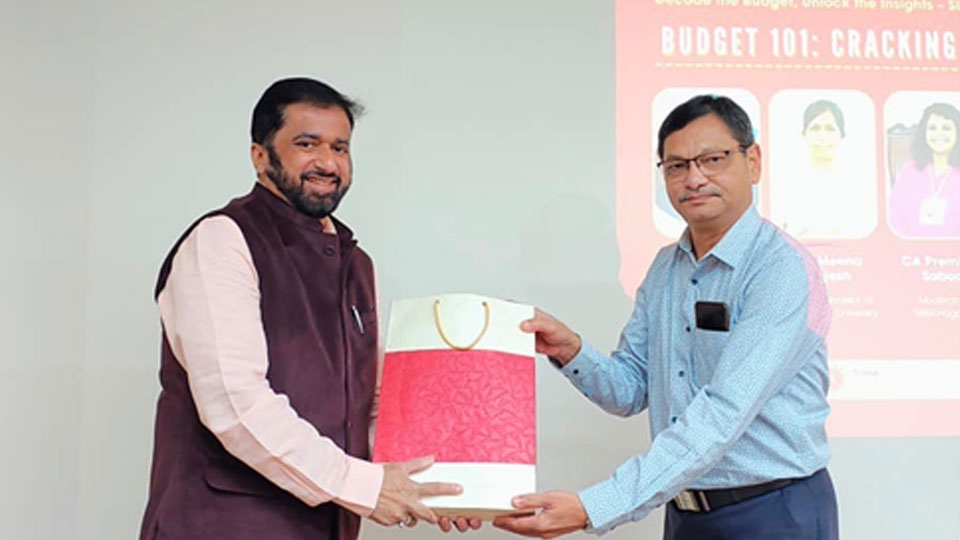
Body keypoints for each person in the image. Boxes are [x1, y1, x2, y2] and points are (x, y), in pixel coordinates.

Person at [494, 95, 838, 539]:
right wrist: (569, 349)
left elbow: (722, 413)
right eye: (677, 166)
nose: (694, 178)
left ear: (752, 162)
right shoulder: (665, 269)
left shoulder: (781, 270)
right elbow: (630, 390)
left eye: (712, 159)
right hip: (684, 514)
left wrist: (594, 507)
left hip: (773, 513)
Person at [139, 77, 462, 540]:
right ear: (260, 156)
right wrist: (366, 487)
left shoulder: (357, 264)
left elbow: (371, 406)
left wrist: (439, 488)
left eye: (340, 147)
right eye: (307, 144)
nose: (328, 163)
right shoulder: (222, 240)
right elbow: (236, 404)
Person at [772, 98, 876, 239]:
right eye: (815, 129)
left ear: (842, 135)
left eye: (830, 129)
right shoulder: (787, 184)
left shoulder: (858, 185)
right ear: (804, 134)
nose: (822, 137)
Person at [889, 102, 960, 238]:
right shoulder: (909, 172)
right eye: (932, 128)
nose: (939, 134)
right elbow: (895, 218)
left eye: (946, 128)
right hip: (911, 248)